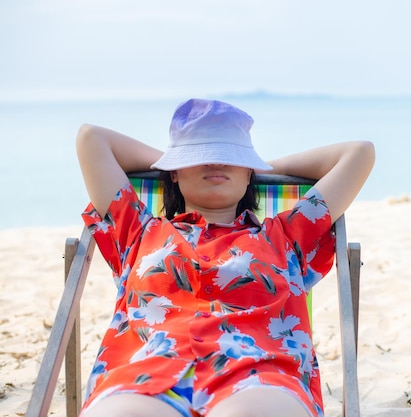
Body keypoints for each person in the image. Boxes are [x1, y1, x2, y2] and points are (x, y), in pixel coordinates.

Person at [75, 98, 375, 417]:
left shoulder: (288, 236)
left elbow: (359, 153)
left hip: (259, 375)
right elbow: (91, 138)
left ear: (248, 173)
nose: (215, 163)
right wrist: (175, 163)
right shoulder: (137, 230)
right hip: (146, 374)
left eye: (230, 158)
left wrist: (262, 169)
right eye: (200, 156)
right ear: (173, 173)